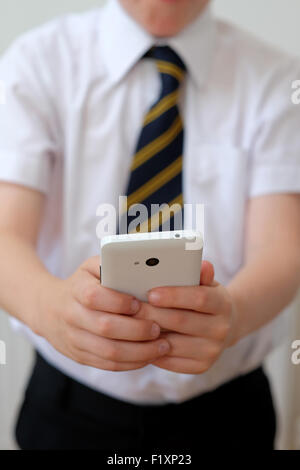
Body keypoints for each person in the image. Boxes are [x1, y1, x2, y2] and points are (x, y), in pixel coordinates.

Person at [0, 0, 299, 451]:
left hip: (228, 411)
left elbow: (283, 245)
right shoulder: (38, 61)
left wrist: (232, 315)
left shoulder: (277, 80)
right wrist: (51, 309)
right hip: (69, 408)